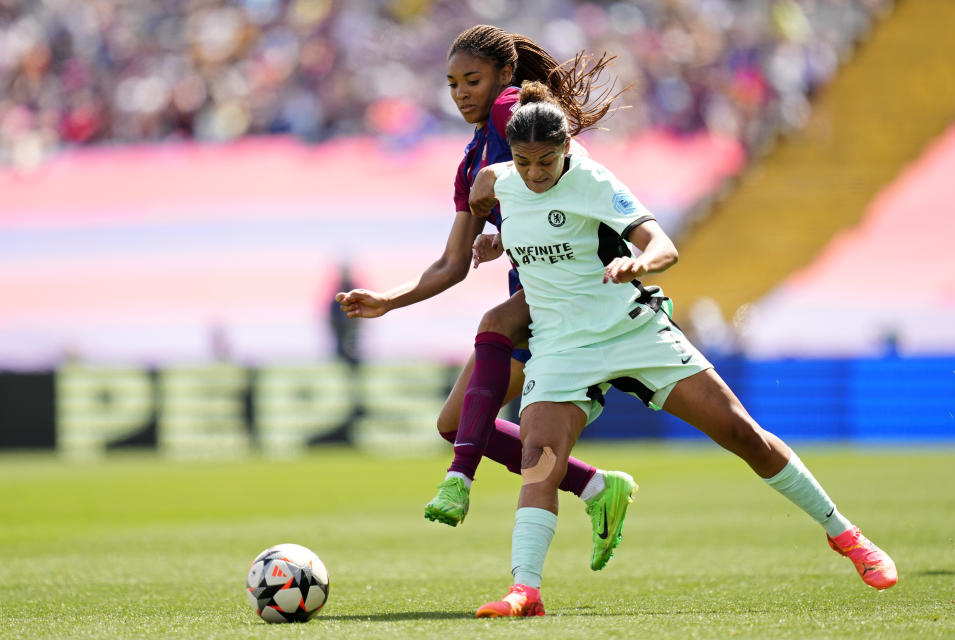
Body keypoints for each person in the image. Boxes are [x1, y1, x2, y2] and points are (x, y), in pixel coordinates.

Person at [468, 81, 898, 618]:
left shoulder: (595, 181)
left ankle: (848, 537)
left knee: (743, 433)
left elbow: (662, 244)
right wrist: (497, 240)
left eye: (546, 161)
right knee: (539, 461)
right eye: (525, 161)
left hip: (631, 331)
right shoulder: (498, 183)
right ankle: (525, 591)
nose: (535, 174)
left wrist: (638, 264)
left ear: (568, 147)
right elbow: (531, 226)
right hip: (560, 348)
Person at [335, 25, 637, 571]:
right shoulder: (469, 161)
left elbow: (563, 153)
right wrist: (388, 300)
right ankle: (596, 488)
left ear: (503, 75)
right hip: (532, 291)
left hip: (568, 288)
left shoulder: (508, 109)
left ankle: (463, 481)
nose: (461, 93)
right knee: (453, 424)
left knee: (493, 334)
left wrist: (509, 189)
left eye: (471, 79)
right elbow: (452, 264)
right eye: (451, 84)